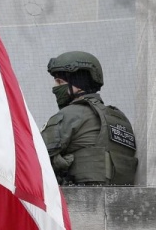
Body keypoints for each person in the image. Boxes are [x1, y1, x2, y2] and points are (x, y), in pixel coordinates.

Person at [41, 51, 137, 186]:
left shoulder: (71, 114)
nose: (55, 88)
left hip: (82, 199)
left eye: (60, 81)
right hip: (123, 201)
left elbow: (36, 157)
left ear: (78, 82)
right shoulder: (119, 118)